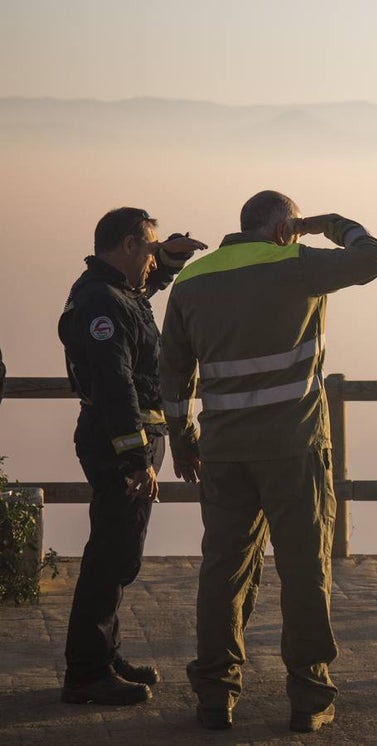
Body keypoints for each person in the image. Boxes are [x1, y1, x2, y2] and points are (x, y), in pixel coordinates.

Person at [160, 190, 377, 732]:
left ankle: (216, 696)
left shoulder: (192, 280)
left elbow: (173, 375)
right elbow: (374, 256)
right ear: (284, 228)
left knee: (223, 571)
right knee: (305, 570)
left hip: (221, 452)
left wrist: (181, 438)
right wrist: (330, 223)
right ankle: (309, 700)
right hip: (294, 448)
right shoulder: (294, 264)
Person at [58, 207, 206, 705]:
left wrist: (168, 261)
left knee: (118, 552)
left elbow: (141, 292)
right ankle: (86, 672)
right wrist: (135, 460)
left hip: (133, 437)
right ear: (126, 246)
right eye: (148, 250)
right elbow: (114, 384)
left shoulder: (115, 291)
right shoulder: (101, 300)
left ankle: (105, 654)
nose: (151, 262)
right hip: (117, 440)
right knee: (111, 556)